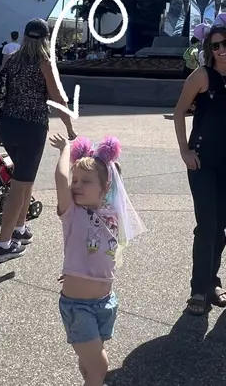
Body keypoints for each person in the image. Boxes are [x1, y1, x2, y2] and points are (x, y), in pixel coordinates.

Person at [50, 132, 145, 386]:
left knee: (90, 364)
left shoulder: (112, 216)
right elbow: (61, 179)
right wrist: (66, 151)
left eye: (86, 181)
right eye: (76, 180)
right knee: (100, 364)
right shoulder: (72, 213)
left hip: (105, 302)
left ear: (105, 188)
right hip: (77, 306)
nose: (76, 185)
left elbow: (116, 177)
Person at [173, 18, 226, 315]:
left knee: (222, 224)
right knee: (207, 224)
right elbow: (178, 112)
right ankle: (198, 290)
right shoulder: (201, 76)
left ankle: (211, 281)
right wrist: (184, 150)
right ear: (208, 49)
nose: (222, 49)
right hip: (202, 159)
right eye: (216, 45)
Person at [0, 18, 75, 261]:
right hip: (31, 127)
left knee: (24, 179)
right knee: (20, 184)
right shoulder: (43, 62)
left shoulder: (11, 59)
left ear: (26, 36)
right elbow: (58, 97)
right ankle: (3, 245)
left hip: (8, 125)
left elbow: (1, 94)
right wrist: (69, 127)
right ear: (46, 38)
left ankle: (20, 228)